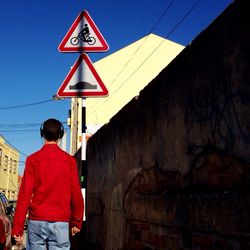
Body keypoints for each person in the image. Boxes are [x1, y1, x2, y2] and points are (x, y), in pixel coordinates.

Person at [12, 118, 84, 250]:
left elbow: (24, 195)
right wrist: (76, 221)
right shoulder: (69, 161)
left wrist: (18, 228)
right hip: (60, 222)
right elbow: (76, 194)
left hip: (36, 222)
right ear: (60, 136)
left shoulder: (32, 160)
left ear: (42, 133)